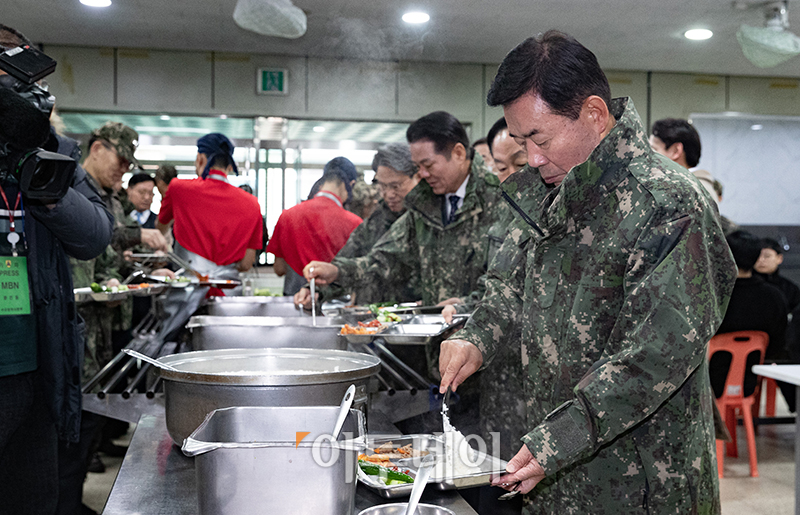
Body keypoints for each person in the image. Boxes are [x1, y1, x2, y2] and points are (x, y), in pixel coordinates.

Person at [438, 31, 736, 514]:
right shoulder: (546, 191)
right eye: (519, 141)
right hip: (554, 475)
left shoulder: (667, 204)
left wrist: (560, 438)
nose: (531, 158)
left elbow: (654, 356)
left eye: (540, 138)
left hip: (639, 484)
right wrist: (477, 336)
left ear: (595, 114)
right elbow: (509, 286)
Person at [0, 23, 114, 514]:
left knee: (32, 499)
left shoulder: (54, 151)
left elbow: (94, 235)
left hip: (37, 365)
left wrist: (39, 171)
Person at [295, 143, 421, 307]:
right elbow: (348, 259)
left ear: (418, 177)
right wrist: (316, 291)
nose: (389, 194)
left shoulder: (425, 219)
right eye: (382, 185)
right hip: (371, 322)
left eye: (396, 186)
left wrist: (338, 272)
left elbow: (380, 263)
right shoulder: (378, 218)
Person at [157, 133, 263, 274]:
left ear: (200, 159)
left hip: (187, 288)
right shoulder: (252, 203)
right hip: (230, 290)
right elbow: (246, 264)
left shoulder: (178, 188)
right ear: (230, 166)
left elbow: (160, 230)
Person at [710, 231, 789, 406]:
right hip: (752, 379)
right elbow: (778, 343)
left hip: (708, 381)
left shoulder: (712, 295)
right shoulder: (774, 297)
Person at [267, 157, 363, 296]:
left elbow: (279, 269)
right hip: (336, 304)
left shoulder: (288, 216)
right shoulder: (354, 222)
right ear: (351, 184)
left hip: (295, 301)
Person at [754, 237, 800, 311]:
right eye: (757, 255)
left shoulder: (790, 289)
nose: (761, 260)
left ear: (779, 258)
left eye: (767, 256)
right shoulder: (745, 285)